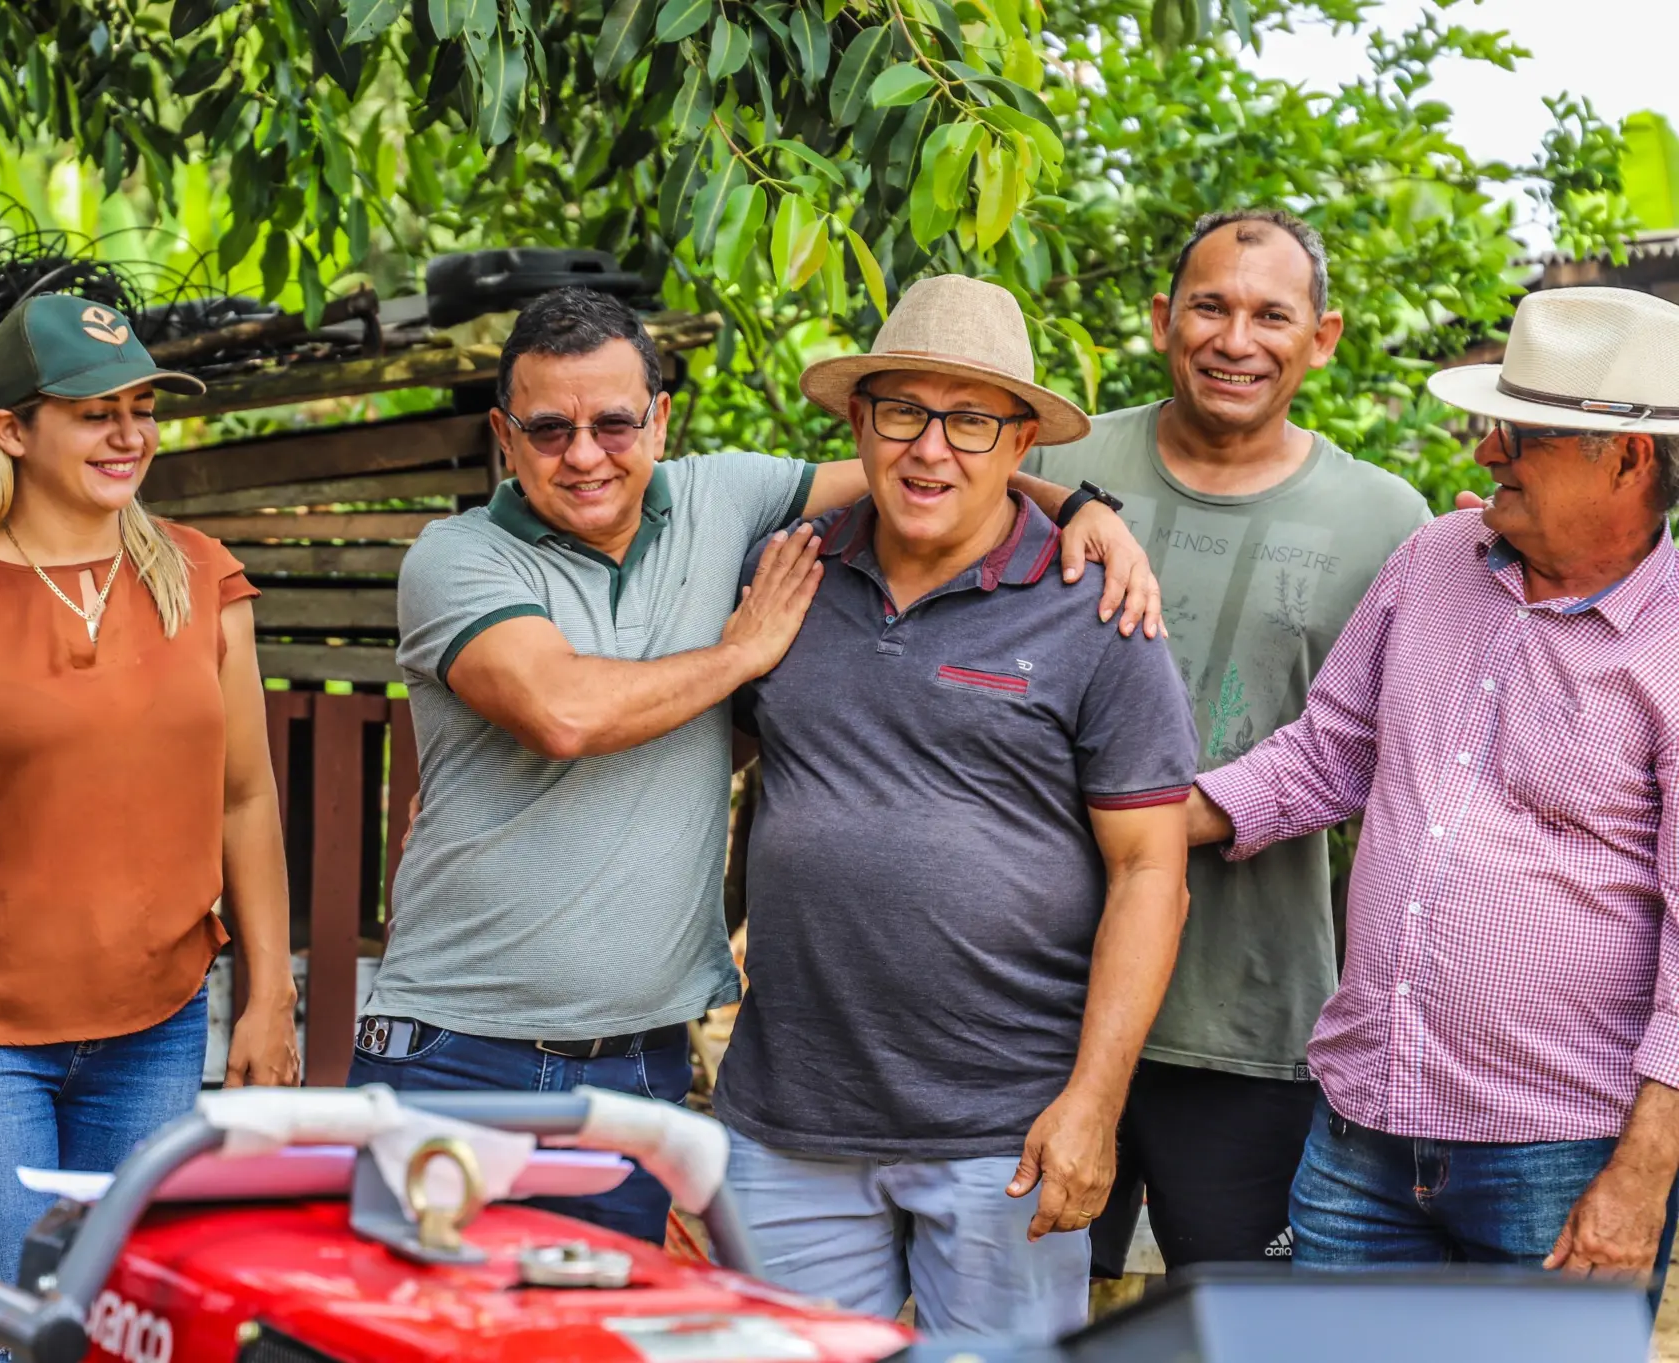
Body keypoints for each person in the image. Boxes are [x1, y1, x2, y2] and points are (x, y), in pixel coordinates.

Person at [354, 286, 1163, 1245]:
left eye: (614, 421)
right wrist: (742, 653)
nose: (584, 453)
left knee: (598, 1347)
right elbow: (561, 711)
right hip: (455, 1050)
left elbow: (917, 458)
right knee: (407, 1339)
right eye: (548, 427)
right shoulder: (458, 557)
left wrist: (1081, 504)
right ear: (503, 432)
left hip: (639, 1069)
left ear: (660, 418)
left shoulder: (720, 496)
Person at [712, 276, 1197, 1341]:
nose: (929, 450)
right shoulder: (785, 575)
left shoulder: (1095, 607)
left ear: (1019, 440)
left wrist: (1092, 1107)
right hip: (788, 1120)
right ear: (858, 421)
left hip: (1003, 1132)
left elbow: (1150, 875)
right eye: (902, 412)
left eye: (969, 420)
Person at [0, 294, 301, 1363]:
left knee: (125, 1339)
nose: (129, 434)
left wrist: (269, 996)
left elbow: (245, 797)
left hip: (158, 1027)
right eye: (94, 412)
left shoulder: (203, 578)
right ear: (10, 429)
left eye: (141, 407)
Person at [1188, 285, 1679, 1294]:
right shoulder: (1430, 561)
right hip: (1361, 1126)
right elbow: (1327, 751)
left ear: (1627, 459)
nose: (1483, 453)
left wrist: (1642, 1172)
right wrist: (1159, 814)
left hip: (1558, 1148)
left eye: (1518, 435)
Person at [1017, 211, 1433, 1275]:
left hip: (1248, 1012)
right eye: (1208, 305)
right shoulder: (1052, 461)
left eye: (1269, 314)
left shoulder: (1388, 521)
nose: (1233, 338)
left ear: (1323, 336)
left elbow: (1389, 751)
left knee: (1238, 1320)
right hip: (1029, 992)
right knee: (1025, 1315)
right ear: (1161, 320)